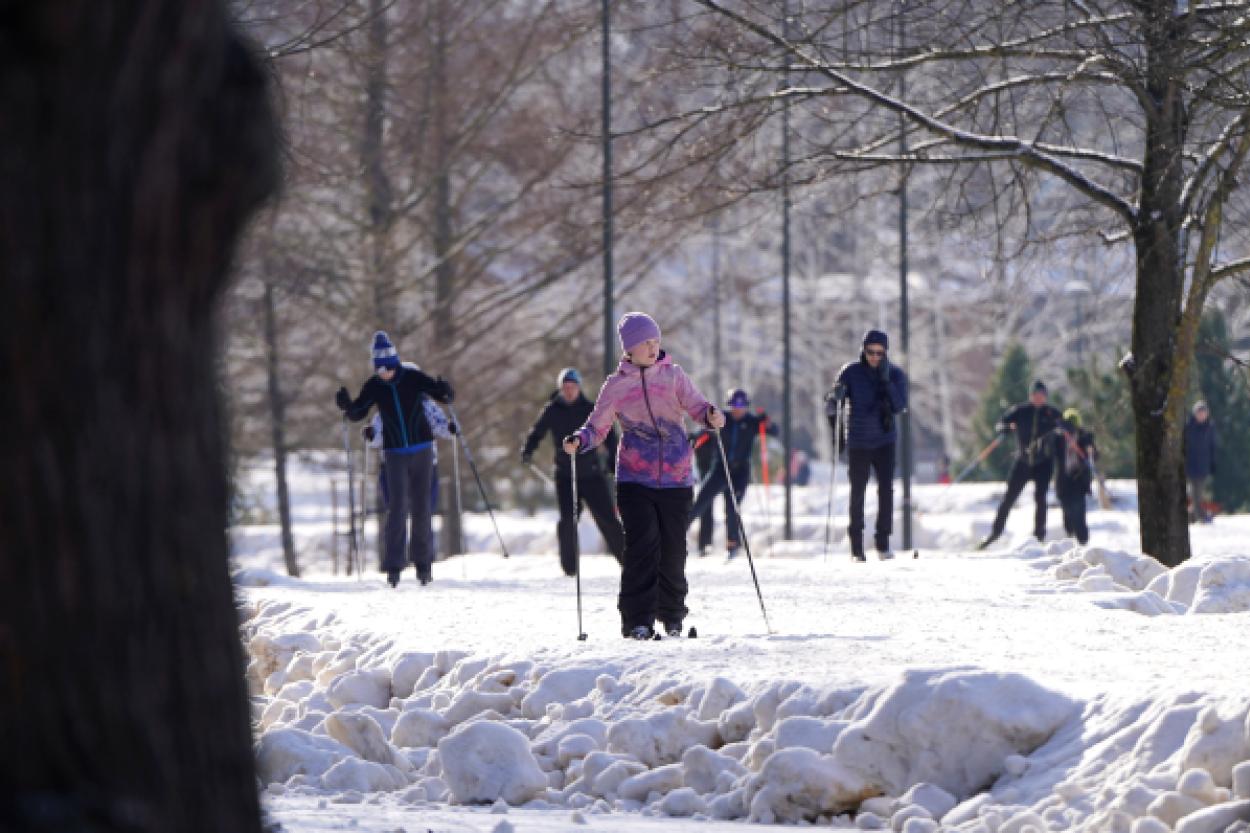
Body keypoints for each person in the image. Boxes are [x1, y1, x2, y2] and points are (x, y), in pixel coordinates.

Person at [563, 312, 724, 640]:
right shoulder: (617, 385)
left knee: (673, 548)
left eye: (655, 341)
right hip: (635, 478)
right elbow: (598, 425)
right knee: (642, 545)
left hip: (677, 477)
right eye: (645, 343)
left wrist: (711, 416)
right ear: (630, 349)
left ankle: (673, 615)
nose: (653, 348)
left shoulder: (674, 376)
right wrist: (580, 440)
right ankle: (637, 620)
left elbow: (697, 407)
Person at [336, 331, 454, 588]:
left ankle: (423, 565)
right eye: (379, 369)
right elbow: (359, 411)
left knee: (422, 508)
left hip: (422, 449)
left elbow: (439, 394)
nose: (384, 374)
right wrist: (347, 406)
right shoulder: (375, 385)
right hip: (394, 454)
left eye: (388, 369)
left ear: (395, 364)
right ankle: (394, 567)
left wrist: (445, 391)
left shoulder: (412, 377)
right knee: (397, 509)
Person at [522, 367, 625, 575]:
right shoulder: (552, 409)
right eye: (565, 387)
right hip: (565, 474)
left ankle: (628, 560)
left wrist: (614, 462)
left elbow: (609, 435)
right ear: (561, 389)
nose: (569, 391)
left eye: (572, 387)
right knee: (568, 521)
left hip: (591, 473)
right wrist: (528, 449)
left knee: (607, 519)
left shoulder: (590, 409)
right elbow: (537, 431)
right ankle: (570, 569)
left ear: (579, 387)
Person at [824, 330, 909, 561]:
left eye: (879, 353)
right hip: (859, 440)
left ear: (885, 352)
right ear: (863, 350)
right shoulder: (850, 372)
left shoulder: (896, 374)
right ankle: (857, 548)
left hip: (885, 440)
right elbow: (831, 404)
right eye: (870, 352)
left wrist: (886, 382)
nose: (874, 357)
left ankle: (883, 543)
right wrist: (836, 397)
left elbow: (900, 406)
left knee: (886, 490)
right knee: (857, 492)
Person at [366, 392, 457, 563]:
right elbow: (377, 437)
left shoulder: (427, 407)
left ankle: (423, 560)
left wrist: (451, 427)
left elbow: (443, 428)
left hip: (424, 466)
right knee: (397, 513)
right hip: (393, 466)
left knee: (421, 513)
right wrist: (371, 435)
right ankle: (396, 562)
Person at [686, 389, 776, 558]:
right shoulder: (723, 419)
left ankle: (733, 543)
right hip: (720, 468)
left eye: (741, 405)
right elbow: (704, 431)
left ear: (746, 406)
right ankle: (680, 532)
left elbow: (774, 431)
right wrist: (693, 437)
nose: (738, 409)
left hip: (740, 471)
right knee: (702, 500)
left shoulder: (751, 422)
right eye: (734, 405)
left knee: (732, 506)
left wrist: (767, 422)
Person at [977, 380, 1062, 549]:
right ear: (1031, 396)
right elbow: (1001, 423)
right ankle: (995, 533)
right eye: (1035, 395)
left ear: (1045, 397)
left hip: (1044, 463)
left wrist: (1062, 429)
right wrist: (1005, 428)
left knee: (1041, 499)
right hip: (1023, 461)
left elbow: (1064, 427)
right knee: (1009, 498)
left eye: (1041, 395)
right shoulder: (1021, 411)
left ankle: (1039, 536)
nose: (1038, 398)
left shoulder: (1052, 413)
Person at [1053, 408, 1097, 545]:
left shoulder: (1084, 437)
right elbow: (1051, 452)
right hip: (1064, 481)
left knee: (1079, 513)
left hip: (1079, 480)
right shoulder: (1058, 437)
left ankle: (1083, 542)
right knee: (1067, 514)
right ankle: (1070, 542)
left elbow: (1094, 455)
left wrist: (1089, 448)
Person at [1185, 400, 1217, 524]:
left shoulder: (1210, 427)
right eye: (1199, 412)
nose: (1202, 415)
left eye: (1203, 412)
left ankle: (1193, 516)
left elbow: (1213, 446)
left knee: (1199, 492)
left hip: (1203, 466)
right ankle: (1200, 516)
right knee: (1194, 493)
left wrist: (1213, 463)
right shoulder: (1189, 427)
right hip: (1191, 465)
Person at [688, 429, 717, 554]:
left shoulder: (718, 435)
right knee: (702, 508)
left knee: (708, 509)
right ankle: (704, 543)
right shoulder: (700, 435)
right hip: (702, 475)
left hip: (720, 473)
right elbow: (693, 445)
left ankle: (706, 543)